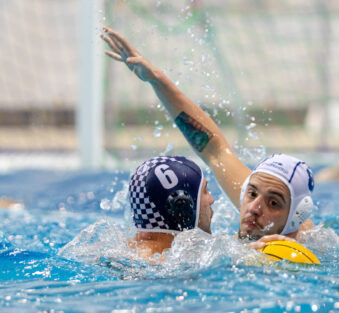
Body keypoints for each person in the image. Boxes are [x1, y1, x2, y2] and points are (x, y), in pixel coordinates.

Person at [101, 27, 315, 242]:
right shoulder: (259, 196)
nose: (254, 208)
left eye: (274, 203)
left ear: (295, 217)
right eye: (251, 193)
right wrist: (157, 80)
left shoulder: (298, 248)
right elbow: (213, 148)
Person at [127, 155, 292, 260]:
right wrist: (244, 258)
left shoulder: (132, 248)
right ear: (183, 208)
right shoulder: (152, 263)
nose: (212, 199)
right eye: (205, 191)